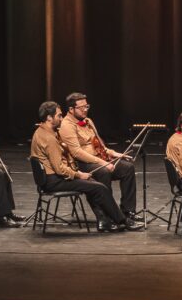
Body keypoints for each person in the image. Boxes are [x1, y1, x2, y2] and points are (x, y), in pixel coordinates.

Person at [29, 101, 142, 232]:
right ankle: (121, 220)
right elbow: (59, 168)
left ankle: (112, 219)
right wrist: (79, 175)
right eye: (59, 115)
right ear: (49, 117)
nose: (61, 118)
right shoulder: (49, 138)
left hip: (54, 178)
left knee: (97, 185)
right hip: (54, 181)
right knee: (99, 187)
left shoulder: (44, 132)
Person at [59, 92, 139, 225]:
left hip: (97, 159)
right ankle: (109, 215)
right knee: (103, 172)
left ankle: (128, 211)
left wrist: (113, 153)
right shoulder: (67, 125)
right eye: (81, 107)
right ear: (71, 109)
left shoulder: (88, 121)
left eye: (86, 106)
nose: (85, 110)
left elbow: (100, 146)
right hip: (81, 164)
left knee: (127, 168)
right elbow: (77, 153)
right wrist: (103, 163)